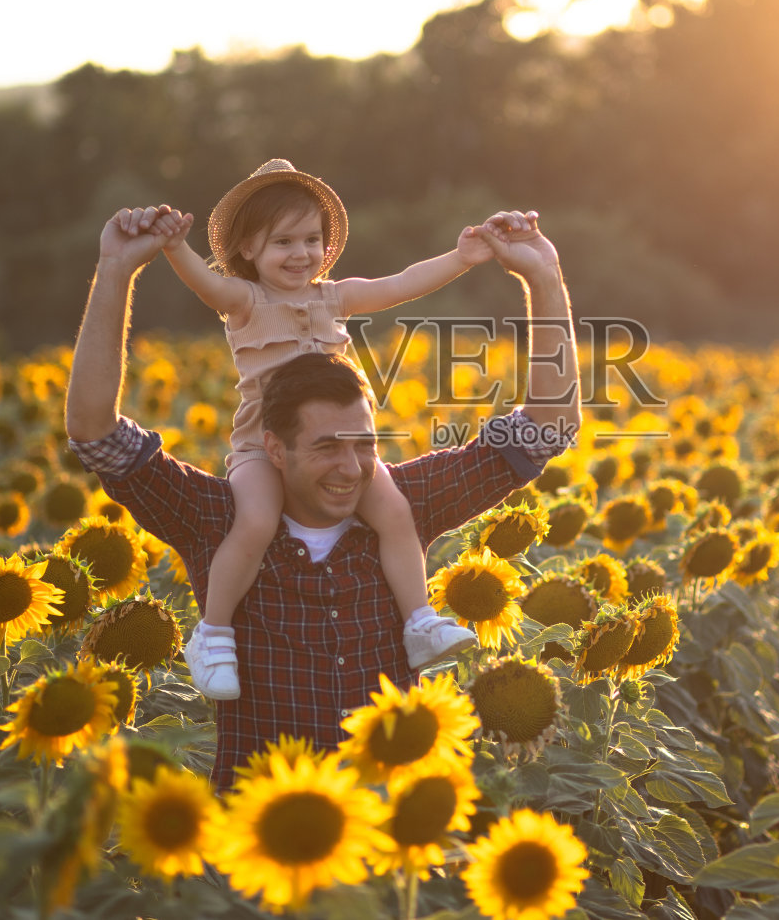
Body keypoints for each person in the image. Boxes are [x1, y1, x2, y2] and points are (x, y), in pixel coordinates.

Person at [64, 201, 578, 791]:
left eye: (364, 443)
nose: (351, 468)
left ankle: (422, 623)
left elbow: (546, 430)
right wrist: (115, 271)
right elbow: (95, 434)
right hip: (258, 839)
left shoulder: (404, 502)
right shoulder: (217, 520)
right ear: (274, 448)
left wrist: (542, 275)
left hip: (389, 837)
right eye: (327, 447)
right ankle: (215, 636)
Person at [150, 159, 493, 699]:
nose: (301, 253)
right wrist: (174, 248)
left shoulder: (335, 297)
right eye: (283, 241)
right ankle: (213, 634)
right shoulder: (246, 302)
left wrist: (463, 257)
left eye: (312, 239)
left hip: (340, 447)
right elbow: (208, 287)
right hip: (261, 447)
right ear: (248, 250)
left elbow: (402, 283)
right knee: (257, 521)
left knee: (396, 511)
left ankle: (420, 621)